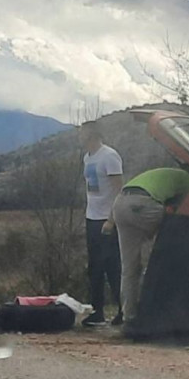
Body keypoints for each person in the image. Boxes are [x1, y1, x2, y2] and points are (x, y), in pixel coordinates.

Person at [105, 166, 189, 327]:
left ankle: (129, 317)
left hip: (119, 205)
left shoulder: (164, 174)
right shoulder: (187, 179)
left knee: (129, 268)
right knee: (173, 232)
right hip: (143, 205)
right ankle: (157, 311)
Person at [79, 121, 123, 327]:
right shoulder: (87, 158)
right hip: (92, 218)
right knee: (94, 268)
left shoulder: (110, 156)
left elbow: (118, 191)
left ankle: (124, 309)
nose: (81, 138)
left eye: (83, 134)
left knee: (112, 266)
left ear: (92, 135)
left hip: (107, 220)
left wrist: (112, 219)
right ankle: (97, 311)